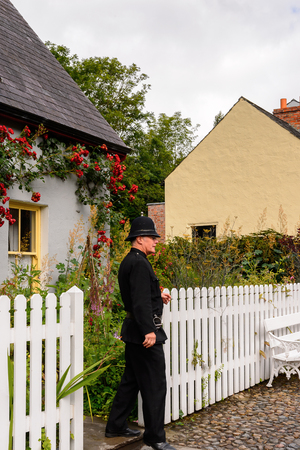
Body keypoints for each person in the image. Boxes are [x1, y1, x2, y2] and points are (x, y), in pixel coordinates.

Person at [105, 216, 177, 450]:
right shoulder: (138, 262)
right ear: (139, 239)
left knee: (132, 380)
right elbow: (139, 301)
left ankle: (115, 425)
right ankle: (155, 438)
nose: (156, 241)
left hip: (134, 332)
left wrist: (159, 293)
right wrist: (150, 330)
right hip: (145, 334)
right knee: (155, 384)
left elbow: (142, 292)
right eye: (152, 237)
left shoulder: (133, 260)